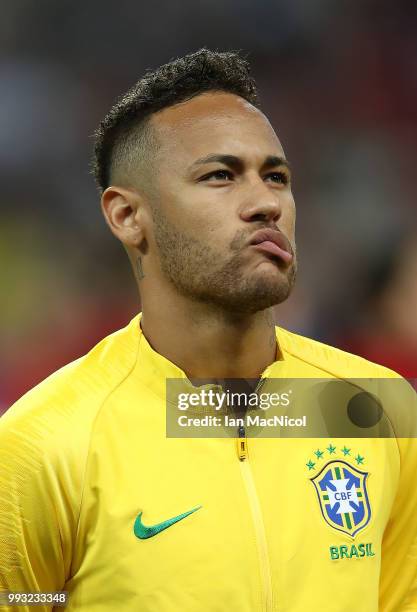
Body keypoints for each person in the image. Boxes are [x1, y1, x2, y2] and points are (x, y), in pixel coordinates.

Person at [0, 49, 416, 612]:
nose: (266, 202)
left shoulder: (373, 406)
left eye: (277, 177)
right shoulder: (45, 443)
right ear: (126, 216)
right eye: (220, 175)